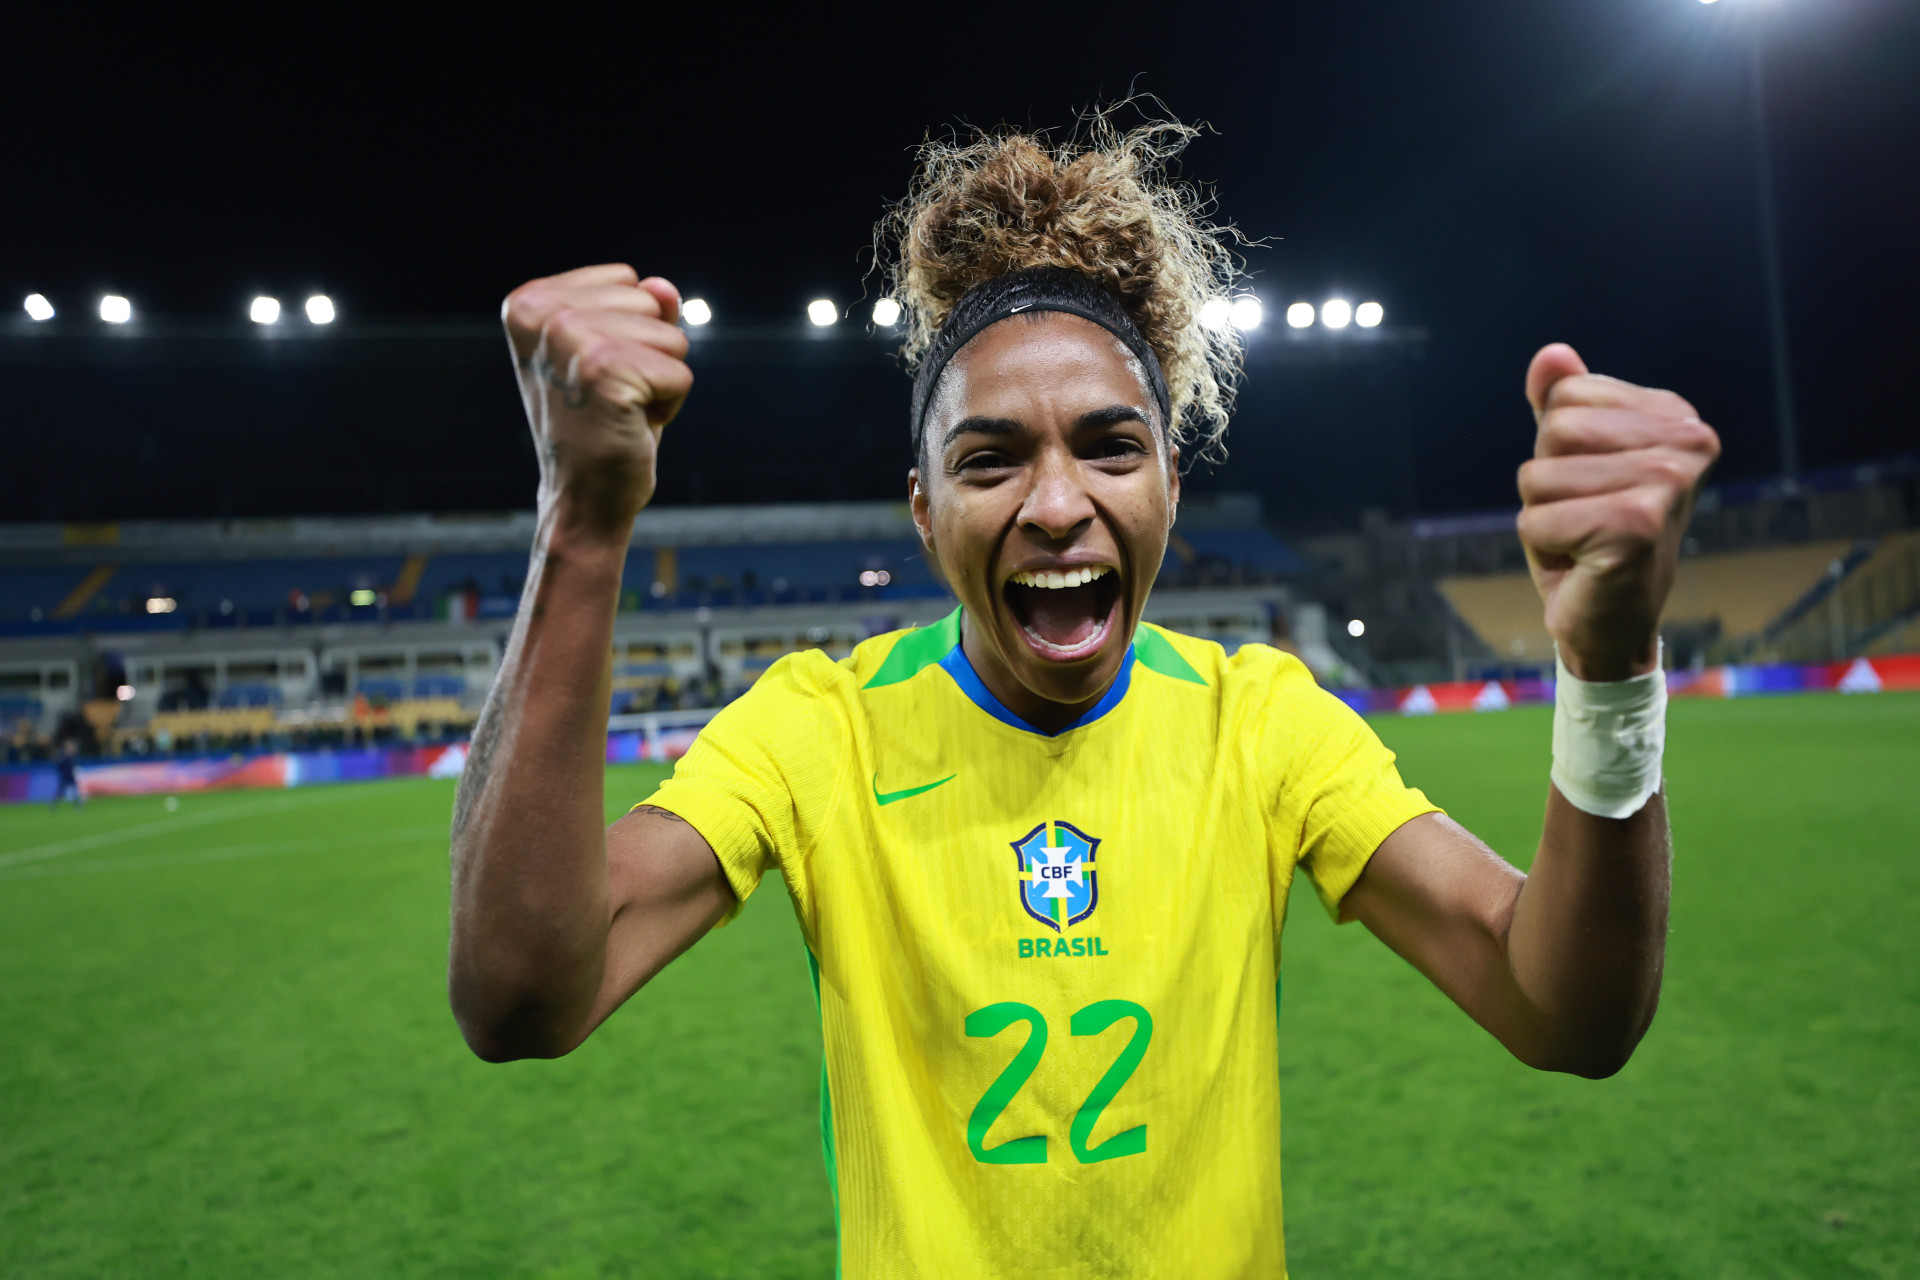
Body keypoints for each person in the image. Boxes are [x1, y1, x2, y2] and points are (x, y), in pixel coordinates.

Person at [448, 117, 1719, 1277]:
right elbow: (520, 996)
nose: (1058, 504)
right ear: (923, 510)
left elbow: (1566, 1010)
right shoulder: (820, 724)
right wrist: (583, 522)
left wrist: (1610, 668)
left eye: (1111, 446)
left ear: (1171, 481)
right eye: (990, 458)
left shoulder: (1257, 718)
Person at [51, 740, 83, 810]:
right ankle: (53, 804)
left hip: (70, 777)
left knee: (75, 792)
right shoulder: (62, 757)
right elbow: (59, 767)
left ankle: (78, 805)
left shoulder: (70, 757)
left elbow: (72, 766)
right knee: (60, 792)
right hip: (65, 777)